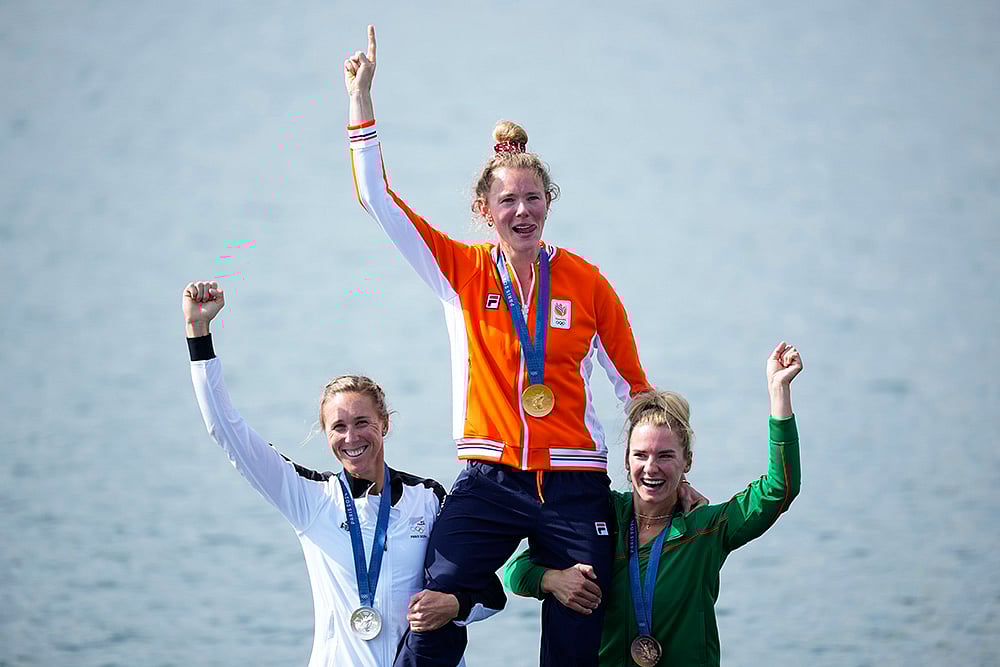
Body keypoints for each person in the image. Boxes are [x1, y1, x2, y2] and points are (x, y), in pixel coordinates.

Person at [342, 26, 705, 667]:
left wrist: (675, 475)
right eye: (506, 199)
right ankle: (456, 609)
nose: (522, 209)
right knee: (430, 607)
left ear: (548, 203)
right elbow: (377, 199)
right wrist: (362, 100)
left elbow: (638, 393)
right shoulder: (461, 271)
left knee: (575, 632)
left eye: (533, 197)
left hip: (575, 486)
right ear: (484, 209)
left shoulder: (588, 283)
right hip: (490, 481)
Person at [182, 280, 505, 667]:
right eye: (338, 427)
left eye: (362, 422)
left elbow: (488, 592)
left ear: (385, 424)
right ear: (325, 434)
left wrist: (454, 605)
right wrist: (198, 333)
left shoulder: (428, 498)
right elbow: (226, 430)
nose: (351, 437)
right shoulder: (309, 498)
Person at [504, 342, 803, 666]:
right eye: (641, 455)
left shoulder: (706, 529)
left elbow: (780, 489)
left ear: (686, 461)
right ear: (626, 459)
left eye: (665, 456)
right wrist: (553, 580)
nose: (651, 467)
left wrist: (779, 391)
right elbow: (516, 570)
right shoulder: (599, 515)